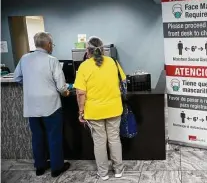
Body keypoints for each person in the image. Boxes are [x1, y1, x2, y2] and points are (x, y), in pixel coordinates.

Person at [13, 32, 71, 177]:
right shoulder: (52, 60)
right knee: (54, 136)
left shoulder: (24, 58)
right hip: (51, 105)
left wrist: (30, 87)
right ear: (49, 45)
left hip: (31, 105)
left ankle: (40, 167)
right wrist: (66, 93)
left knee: (37, 136)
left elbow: (17, 77)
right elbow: (61, 87)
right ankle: (56, 168)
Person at [74, 36, 126, 180]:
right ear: (103, 49)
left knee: (99, 142)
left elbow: (80, 93)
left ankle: (103, 173)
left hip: (94, 111)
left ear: (87, 51)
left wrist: (81, 111)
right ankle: (118, 171)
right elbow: (123, 80)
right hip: (114, 108)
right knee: (114, 139)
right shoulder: (113, 62)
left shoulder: (84, 66)